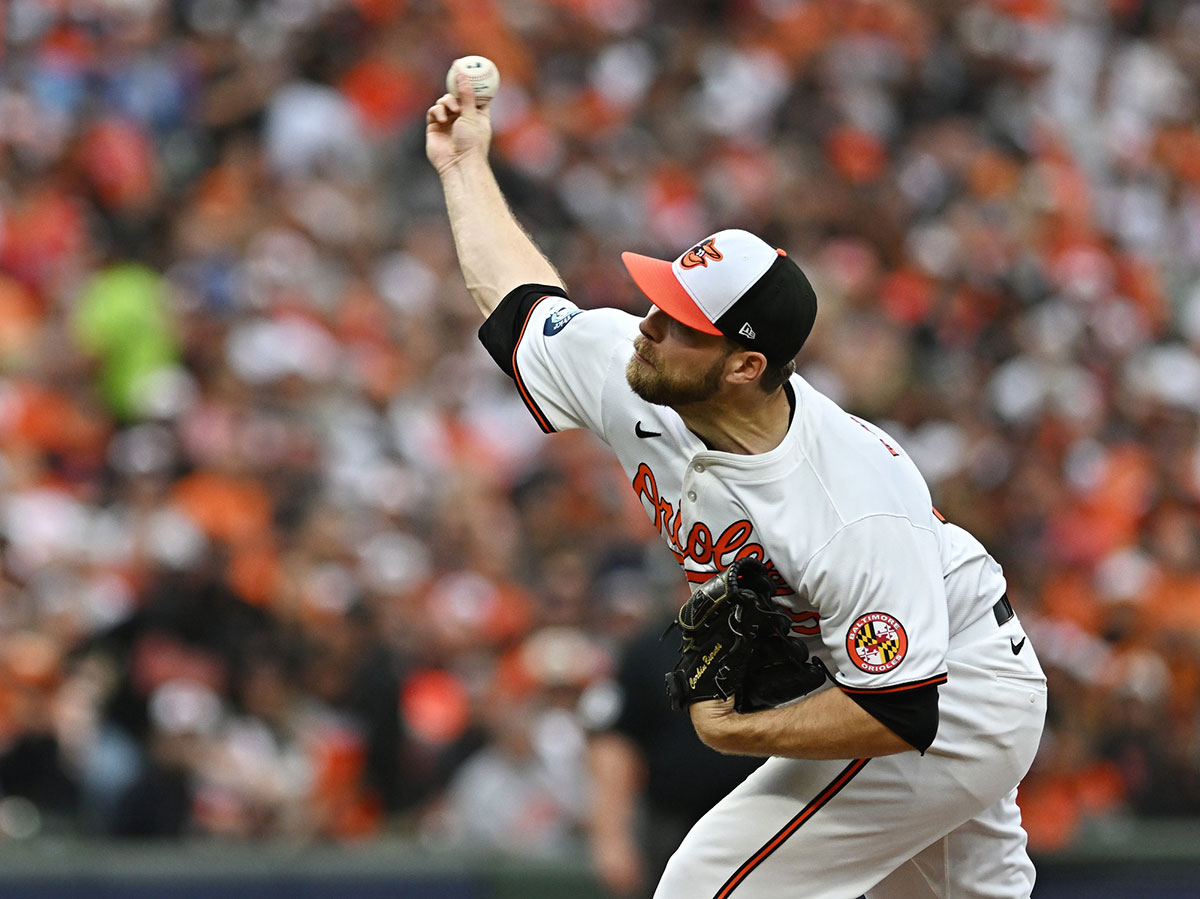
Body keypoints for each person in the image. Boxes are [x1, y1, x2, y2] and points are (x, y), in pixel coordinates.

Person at [426, 71, 1048, 899]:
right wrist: (464, 166)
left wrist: (737, 728)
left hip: (955, 693)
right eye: (657, 297)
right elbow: (517, 306)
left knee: (705, 884)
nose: (646, 323)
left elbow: (903, 710)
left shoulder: (844, 503)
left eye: (678, 320)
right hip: (891, 667)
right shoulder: (638, 369)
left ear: (745, 365)